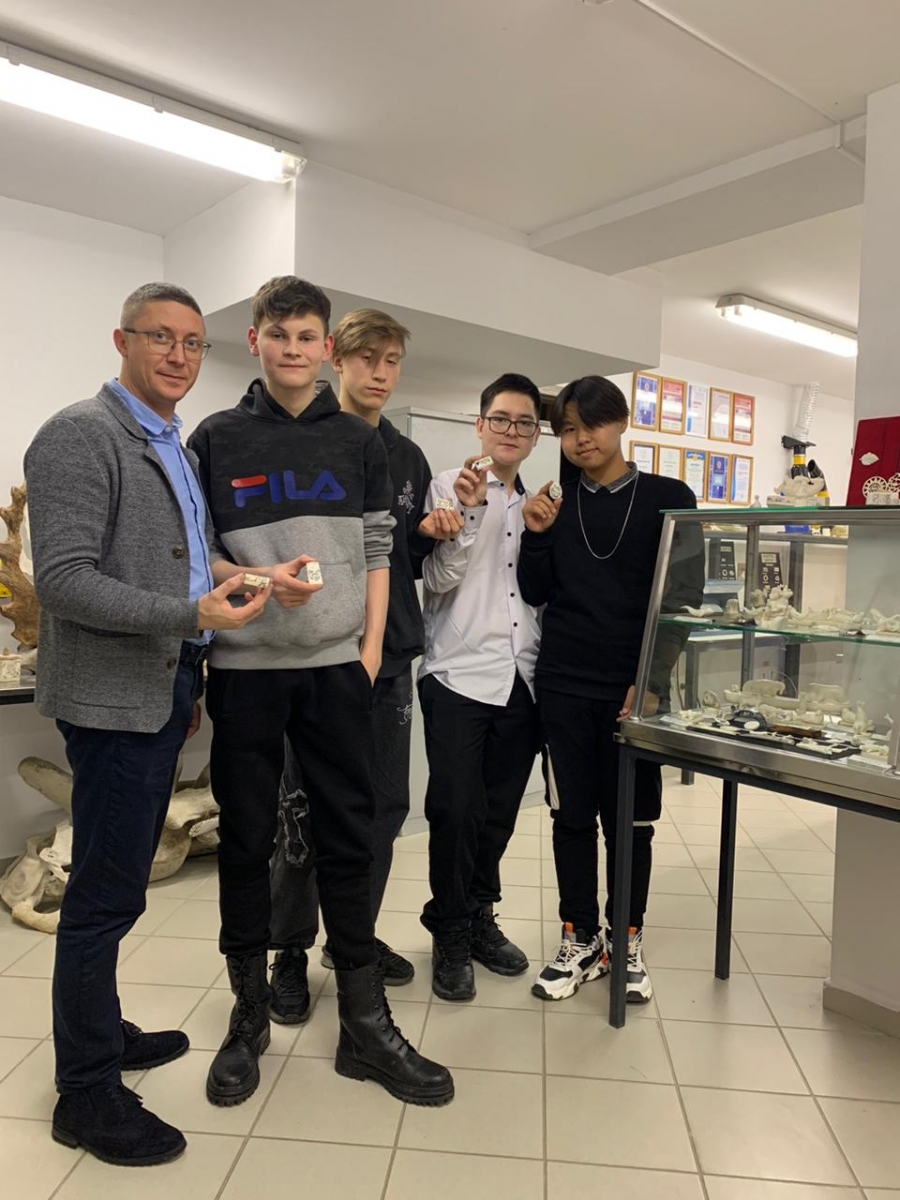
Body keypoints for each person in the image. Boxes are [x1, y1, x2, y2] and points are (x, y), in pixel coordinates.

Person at [188, 277, 453, 1108]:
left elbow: (380, 552)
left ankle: (364, 1025)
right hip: (246, 672)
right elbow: (200, 552)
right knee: (247, 841)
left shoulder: (357, 441)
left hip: (339, 672)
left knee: (351, 838)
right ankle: (248, 1014)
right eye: (280, 335)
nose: (294, 349)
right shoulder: (216, 437)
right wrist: (261, 577)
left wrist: (367, 654)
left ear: (324, 346)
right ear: (256, 341)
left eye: (308, 336)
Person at [25, 282, 271, 1167]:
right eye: (160, 337)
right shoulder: (79, 434)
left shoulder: (169, 441)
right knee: (103, 897)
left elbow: (185, 563)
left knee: (118, 884)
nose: (178, 355)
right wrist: (189, 615)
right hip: (112, 703)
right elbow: (64, 581)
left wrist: (241, 586)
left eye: (193, 342)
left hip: (162, 688)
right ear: (121, 340)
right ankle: (86, 1093)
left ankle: (103, 1031)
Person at [268, 308, 462, 1022]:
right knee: (302, 811)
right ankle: (288, 951)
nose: (381, 373)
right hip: (317, 654)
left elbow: (401, 560)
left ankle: (354, 938)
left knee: (383, 807)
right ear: (336, 359)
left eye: (392, 361)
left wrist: (433, 533)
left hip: (392, 657)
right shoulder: (305, 443)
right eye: (367, 358)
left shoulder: (407, 457)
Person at [518, 375, 703, 1005]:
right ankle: (579, 938)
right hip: (564, 682)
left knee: (631, 820)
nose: (579, 439)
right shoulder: (556, 501)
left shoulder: (669, 497)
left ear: (620, 421)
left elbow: (683, 597)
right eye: (567, 429)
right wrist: (536, 534)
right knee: (570, 815)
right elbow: (536, 591)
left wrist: (650, 682)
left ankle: (625, 938)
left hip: (633, 688)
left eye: (591, 424)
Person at [419, 373, 544, 1002]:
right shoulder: (450, 484)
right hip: (458, 672)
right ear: (480, 425)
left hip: (522, 675)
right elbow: (439, 580)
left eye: (524, 422)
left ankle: (477, 915)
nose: (511, 431)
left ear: (536, 434)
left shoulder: (541, 503)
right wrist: (467, 513)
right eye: (501, 419)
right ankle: (448, 929)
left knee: (498, 813)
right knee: (454, 810)